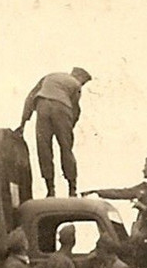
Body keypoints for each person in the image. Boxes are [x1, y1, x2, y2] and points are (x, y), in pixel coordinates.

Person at [17, 67, 93, 198]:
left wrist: (23, 123)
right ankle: (72, 188)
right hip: (62, 108)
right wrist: (69, 130)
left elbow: (30, 98)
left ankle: (50, 189)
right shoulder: (75, 85)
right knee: (66, 149)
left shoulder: (50, 76)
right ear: (80, 77)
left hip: (42, 106)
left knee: (44, 148)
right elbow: (75, 112)